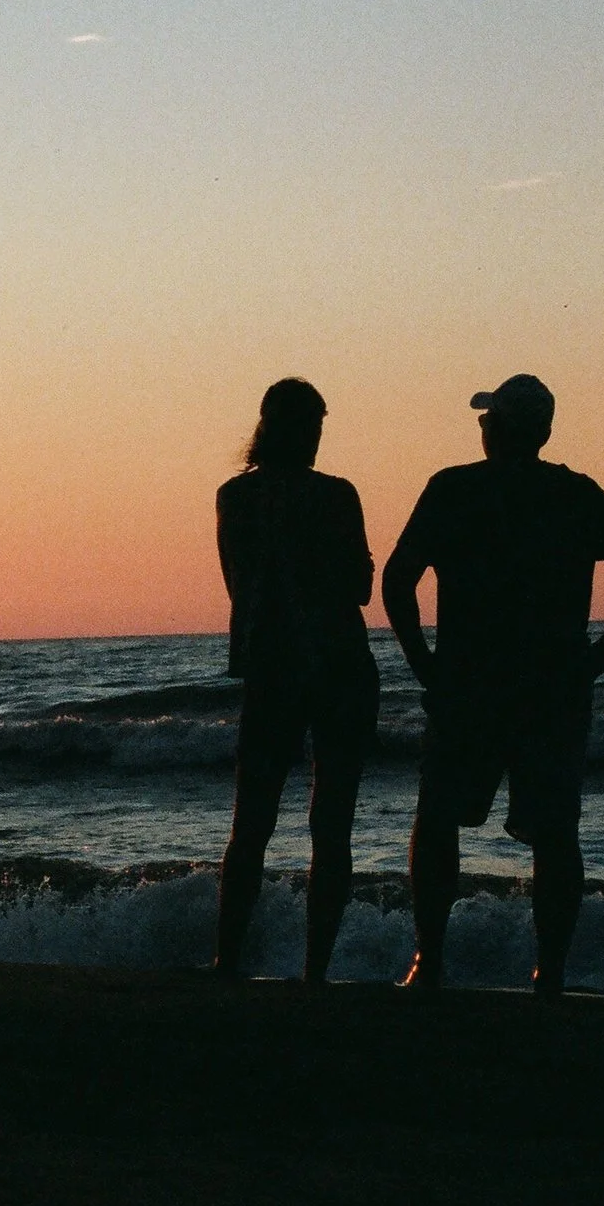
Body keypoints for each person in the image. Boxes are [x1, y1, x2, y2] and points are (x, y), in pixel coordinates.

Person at [382, 374, 604, 998]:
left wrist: (422, 663)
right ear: (543, 432)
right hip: (552, 687)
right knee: (554, 834)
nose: (481, 427)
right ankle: (550, 972)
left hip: (470, 684)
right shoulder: (573, 495)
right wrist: (598, 657)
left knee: (437, 821)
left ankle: (428, 959)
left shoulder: (455, 489)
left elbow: (398, 578)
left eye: (487, 419)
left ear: (499, 428)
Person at [214, 378, 381, 982]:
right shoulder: (337, 496)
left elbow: (240, 584)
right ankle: (315, 971)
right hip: (339, 667)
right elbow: (360, 587)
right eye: (312, 427)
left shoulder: (233, 496)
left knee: (251, 823)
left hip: (270, 667)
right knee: (330, 825)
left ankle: (226, 960)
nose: (315, 439)